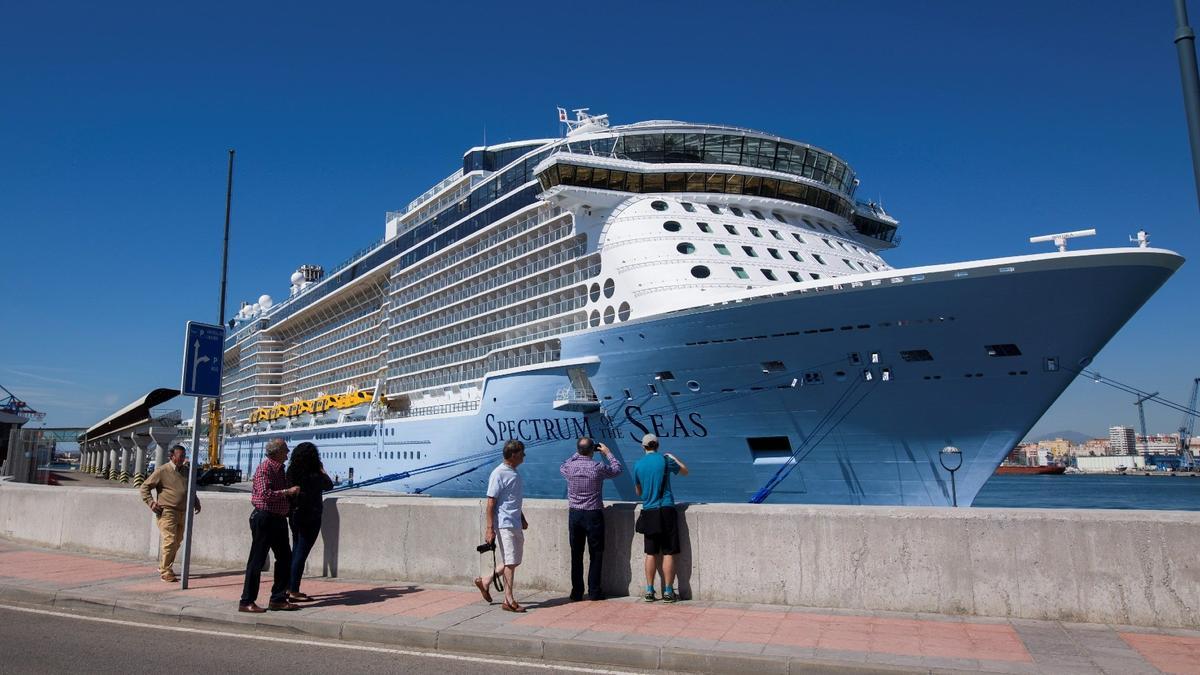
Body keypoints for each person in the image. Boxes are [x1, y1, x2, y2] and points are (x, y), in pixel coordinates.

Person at [238, 438, 301, 613]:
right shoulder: (264, 468)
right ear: (277, 452)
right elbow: (265, 494)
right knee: (257, 560)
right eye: (285, 450)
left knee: (285, 558)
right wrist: (287, 492)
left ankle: (278, 598)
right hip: (264, 518)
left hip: (278, 519)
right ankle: (246, 601)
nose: (288, 453)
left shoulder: (280, 469)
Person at [560, 437, 622, 601]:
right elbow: (617, 470)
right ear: (592, 450)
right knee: (596, 553)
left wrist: (578, 453)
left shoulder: (570, 467)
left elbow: (562, 465)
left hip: (575, 514)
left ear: (579, 450)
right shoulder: (597, 467)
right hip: (593, 514)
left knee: (576, 554)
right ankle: (594, 591)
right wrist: (608, 453)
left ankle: (577, 592)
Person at [473, 439, 528, 612]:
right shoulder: (499, 473)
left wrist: (522, 517)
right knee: (510, 562)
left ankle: (486, 580)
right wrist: (490, 529)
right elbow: (491, 503)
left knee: (514, 560)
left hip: (515, 522)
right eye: (521, 453)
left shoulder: (514, 472)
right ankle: (508, 600)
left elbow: (512, 499)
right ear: (513, 455)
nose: (524, 456)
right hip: (504, 524)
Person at [633, 433, 688, 603]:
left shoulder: (638, 465)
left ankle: (649, 590)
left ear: (643, 447)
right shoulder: (665, 461)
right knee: (668, 552)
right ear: (657, 445)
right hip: (666, 509)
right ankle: (668, 591)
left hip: (649, 510)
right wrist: (673, 458)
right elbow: (685, 471)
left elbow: (639, 492)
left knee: (650, 553)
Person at [138, 445, 200, 582]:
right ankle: (166, 570)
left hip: (183, 512)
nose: (183, 458)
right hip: (167, 511)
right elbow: (144, 487)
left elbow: (189, 488)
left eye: (184, 456)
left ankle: (164, 566)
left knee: (177, 541)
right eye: (180, 456)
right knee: (170, 540)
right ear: (172, 456)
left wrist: (195, 501)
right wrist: (151, 502)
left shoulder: (185, 471)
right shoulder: (162, 471)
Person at [285, 441, 333, 602]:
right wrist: (321, 469)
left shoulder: (291, 470)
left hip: (294, 515)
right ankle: (293, 589)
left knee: (295, 549)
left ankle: (286, 587)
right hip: (311, 516)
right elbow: (329, 486)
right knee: (301, 553)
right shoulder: (315, 473)